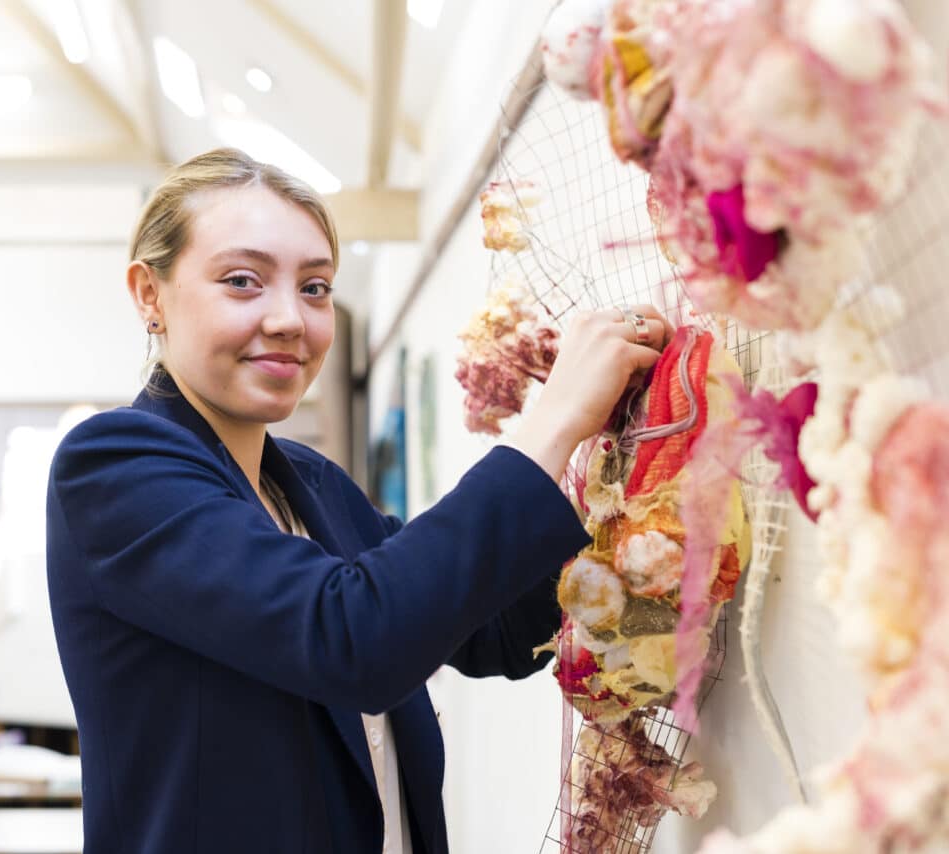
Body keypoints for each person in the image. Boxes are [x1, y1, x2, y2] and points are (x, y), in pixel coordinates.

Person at [47, 148, 673, 854]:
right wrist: (553, 423)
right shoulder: (113, 467)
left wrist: (617, 455)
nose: (290, 319)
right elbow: (356, 641)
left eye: (315, 288)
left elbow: (499, 630)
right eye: (243, 281)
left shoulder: (313, 487)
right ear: (149, 294)